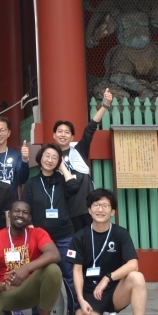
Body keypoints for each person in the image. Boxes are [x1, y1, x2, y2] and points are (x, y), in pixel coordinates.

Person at [69, 189, 154, 315]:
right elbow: (77, 270)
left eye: (105, 206)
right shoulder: (80, 236)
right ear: (89, 209)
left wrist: (107, 278)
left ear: (113, 211)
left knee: (137, 277)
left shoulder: (121, 234)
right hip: (90, 295)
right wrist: (81, 299)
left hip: (115, 291)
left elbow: (132, 264)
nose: (100, 209)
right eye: (96, 205)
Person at [21, 143, 79, 315]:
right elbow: (26, 210)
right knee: (37, 274)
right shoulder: (31, 183)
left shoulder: (62, 181)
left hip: (64, 235)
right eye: (47, 156)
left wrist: (62, 166)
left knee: (69, 275)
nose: (50, 160)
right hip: (40, 237)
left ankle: (75, 313)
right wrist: (30, 231)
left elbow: (74, 188)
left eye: (54, 157)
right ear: (40, 158)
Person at [55, 88, 113, 232]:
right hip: (66, 211)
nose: (63, 135)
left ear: (72, 137)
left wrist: (105, 105)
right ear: (54, 135)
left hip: (86, 208)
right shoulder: (50, 157)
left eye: (67, 132)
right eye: (60, 132)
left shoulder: (79, 150)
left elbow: (90, 128)